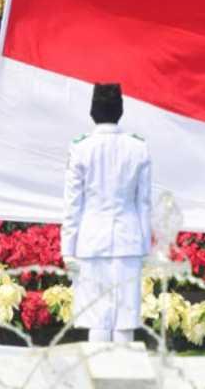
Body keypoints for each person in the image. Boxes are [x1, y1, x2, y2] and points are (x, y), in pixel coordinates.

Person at [62, 83, 153, 344]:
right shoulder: (138, 147)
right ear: (120, 110)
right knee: (125, 318)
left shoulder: (80, 147)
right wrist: (145, 246)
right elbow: (144, 202)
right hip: (128, 239)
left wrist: (68, 248)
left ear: (93, 110)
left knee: (96, 318)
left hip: (91, 241)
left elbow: (72, 204)